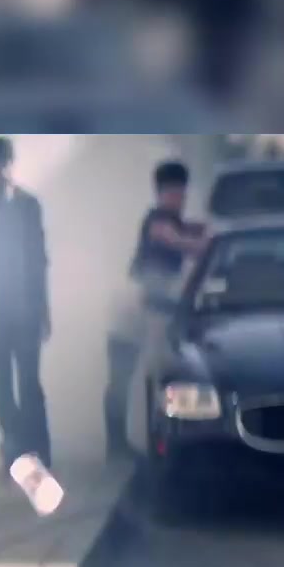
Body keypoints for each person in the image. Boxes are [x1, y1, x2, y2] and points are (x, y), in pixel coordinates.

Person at [108, 159, 208, 459]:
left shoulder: (175, 221)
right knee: (125, 379)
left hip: (148, 311)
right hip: (133, 312)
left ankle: (147, 442)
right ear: (162, 193)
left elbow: (194, 234)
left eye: (182, 192)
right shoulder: (159, 222)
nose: (180, 198)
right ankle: (118, 447)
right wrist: (209, 242)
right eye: (175, 192)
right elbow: (182, 242)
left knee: (149, 377)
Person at [0, 136, 51, 479]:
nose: (0, 169)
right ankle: (18, 449)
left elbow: (39, 260)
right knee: (2, 390)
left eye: (3, 162)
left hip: (24, 310)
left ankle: (35, 452)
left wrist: (43, 309)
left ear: (11, 164)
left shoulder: (29, 206)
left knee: (27, 386)